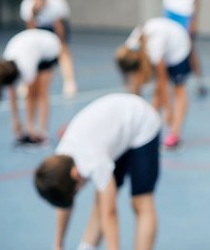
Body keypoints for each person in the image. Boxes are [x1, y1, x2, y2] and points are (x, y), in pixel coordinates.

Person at [34, 93, 161, 250]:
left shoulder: (94, 160)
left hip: (141, 123)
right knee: (101, 200)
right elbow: (64, 203)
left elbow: (110, 215)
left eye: (76, 192)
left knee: (140, 202)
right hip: (113, 135)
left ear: (75, 173)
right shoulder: (60, 161)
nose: (77, 192)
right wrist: (58, 245)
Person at [115, 17, 191, 148]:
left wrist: (168, 111)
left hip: (178, 45)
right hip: (162, 42)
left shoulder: (154, 49)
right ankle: (146, 126)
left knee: (179, 89)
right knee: (157, 92)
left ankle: (174, 134)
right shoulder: (129, 49)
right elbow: (136, 83)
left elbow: (163, 82)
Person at [0, 28, 61, 145]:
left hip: (49, 47)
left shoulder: (26, 66)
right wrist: (15, 119)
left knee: (41, 91)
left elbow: (31, 96)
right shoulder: (6, 64)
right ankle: (33, 128)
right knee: (34, 92)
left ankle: (43, 132)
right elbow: (11, 91)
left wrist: (29, 127)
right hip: (32, 45)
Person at [158, 0, 207, 96]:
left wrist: (194, 19)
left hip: (186, 13)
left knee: (190, 48)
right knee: (167, 49)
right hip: (170, 12)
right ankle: (169, 81)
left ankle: (199, 81)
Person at [20, 0, 78, 97]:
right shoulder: (27, 5)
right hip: (39, 27)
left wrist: (60, 44)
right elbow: (30, 30)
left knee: (63, 51)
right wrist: (34, 11)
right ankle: (26, 84)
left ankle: (70, 82)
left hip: (55, 26)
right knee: (31, 53)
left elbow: (59, 27)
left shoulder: (56, 4)